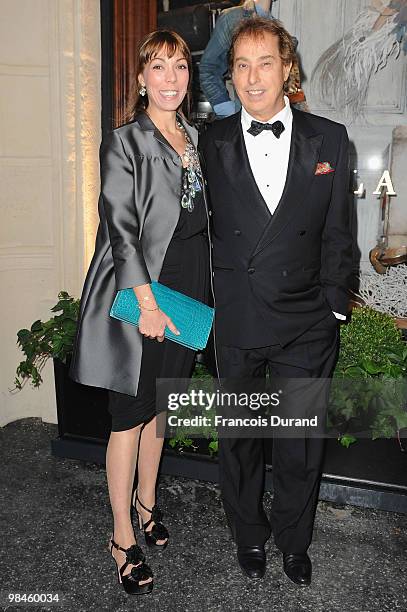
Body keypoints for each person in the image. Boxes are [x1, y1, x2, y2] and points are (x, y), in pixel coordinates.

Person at [199, 17, 353, 585]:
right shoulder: (210, 141)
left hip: (307, 319)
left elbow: (340, 230)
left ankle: (293, 539)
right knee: (238, 439)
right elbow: (195, 229)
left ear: (287, 68)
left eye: (265, 62)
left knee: (298, 442)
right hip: (238, 314)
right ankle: (248, 533)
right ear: (230, 75)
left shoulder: (328, 137)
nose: (253, 76)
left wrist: (335, 303)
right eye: (241, 64)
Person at [69, 30, 210, 595]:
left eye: (179, 66)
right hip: (141, 291)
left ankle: (148, 503)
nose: (171, 78)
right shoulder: (124, 141)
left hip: (190, 288)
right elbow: (121, 228)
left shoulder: (195, 138)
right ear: (141, 78)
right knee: (128, 415)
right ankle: (122, 536)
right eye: (159, 68)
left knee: (162, 410)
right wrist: (146, 301)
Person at [199, 0, 305, 118]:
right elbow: (208, 68)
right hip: (246, 120)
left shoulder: (277, 20)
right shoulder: (232, 19)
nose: (253, 78)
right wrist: (227, 111)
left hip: (281, 117)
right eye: (243, 66)